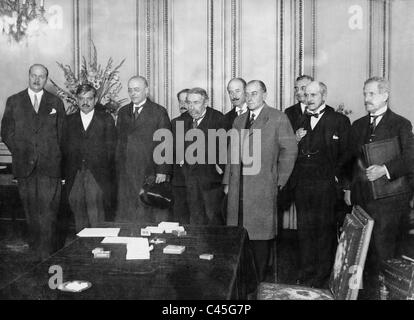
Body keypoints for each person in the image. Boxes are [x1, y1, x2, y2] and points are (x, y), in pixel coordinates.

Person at [344, 76, 414, 299]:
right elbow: (350, 161)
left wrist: (384, 169)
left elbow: (411, 158)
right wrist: (348, 188)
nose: (366, 98)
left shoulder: (401, 124)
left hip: (389, 203)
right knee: (360, 255)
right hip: (361, 202)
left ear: (385, 95)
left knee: (383, 254)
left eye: (371, 94)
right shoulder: (358, 125)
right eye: (365, 93)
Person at [223, 80, 298, 282]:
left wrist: (278, 181)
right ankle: (242, 280)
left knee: (260, 236)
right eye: (247, 94)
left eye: (254, 94)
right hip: (238, 189)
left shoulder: (277, 118)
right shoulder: (239, 121)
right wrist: (227, 183)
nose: (249, 98)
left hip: (263, 188)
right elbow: (232, 154)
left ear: (264, 94)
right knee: (239, 233)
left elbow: (290, 151)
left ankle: (258, 282)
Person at [289, 80, 351, 288]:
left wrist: (336, 178)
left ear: (323, 96)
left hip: (326, 186)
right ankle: (307, 272)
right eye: (306, 96)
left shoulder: (339, 120)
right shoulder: (298, 119)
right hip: (303, 185)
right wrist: (294, 140)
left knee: (324, 230)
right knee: (305, 229)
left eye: (313, 95)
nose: (308, 99)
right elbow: (287, 152)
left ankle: (323, 275)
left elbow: (348, 154)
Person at [1, 64, 66, 260]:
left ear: (46, 79)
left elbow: (62, 135)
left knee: (49, 215)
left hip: (50, 168)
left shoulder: (55, 101)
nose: (37, 80)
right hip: (25, 168)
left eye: (42, 77)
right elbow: (6, 132)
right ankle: (36, 256)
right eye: (34, 76)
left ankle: (46, 258)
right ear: (28, 76)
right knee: (31, 215)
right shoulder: (14, 101)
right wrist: (21, 152)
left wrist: (54, 157)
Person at [115, 76, 171, 223]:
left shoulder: (159, 111)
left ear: (146, 90)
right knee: (128, 211)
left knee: (147, 212)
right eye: (130, 90)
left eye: (137, 90)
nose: (133, 93)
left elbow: (165, 142)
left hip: (149, 171)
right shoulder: (122, 112)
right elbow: (119, 142)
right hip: (126, 171)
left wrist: (162, 170)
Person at [62, 84, 116, 232]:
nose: (85, 102)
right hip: (75, 174)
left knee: (96, 214)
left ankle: (98, 249)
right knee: (78, 213)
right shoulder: (68, 121)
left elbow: (112, 150)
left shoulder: (106, 119)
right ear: (77, 100)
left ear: (95, 99)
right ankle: (82, 250)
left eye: (89, 99)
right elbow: (63, 148)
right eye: (81, 99)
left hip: (97, 175)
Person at [182, 87, 226, 225]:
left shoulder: (219, 119)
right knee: (195, 219)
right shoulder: (182, 120)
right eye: (189, 103)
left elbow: (224, 151)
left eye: (196, 102)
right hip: (191, 181)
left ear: (206, 102)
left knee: (213, 219)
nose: (191, 107)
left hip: (211, 183)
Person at [171, 89, 191, 224]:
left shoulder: (201, 122)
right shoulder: (173, 123)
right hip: (179, 181)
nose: (183, 104)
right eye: (180, 101)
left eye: (186, 101)